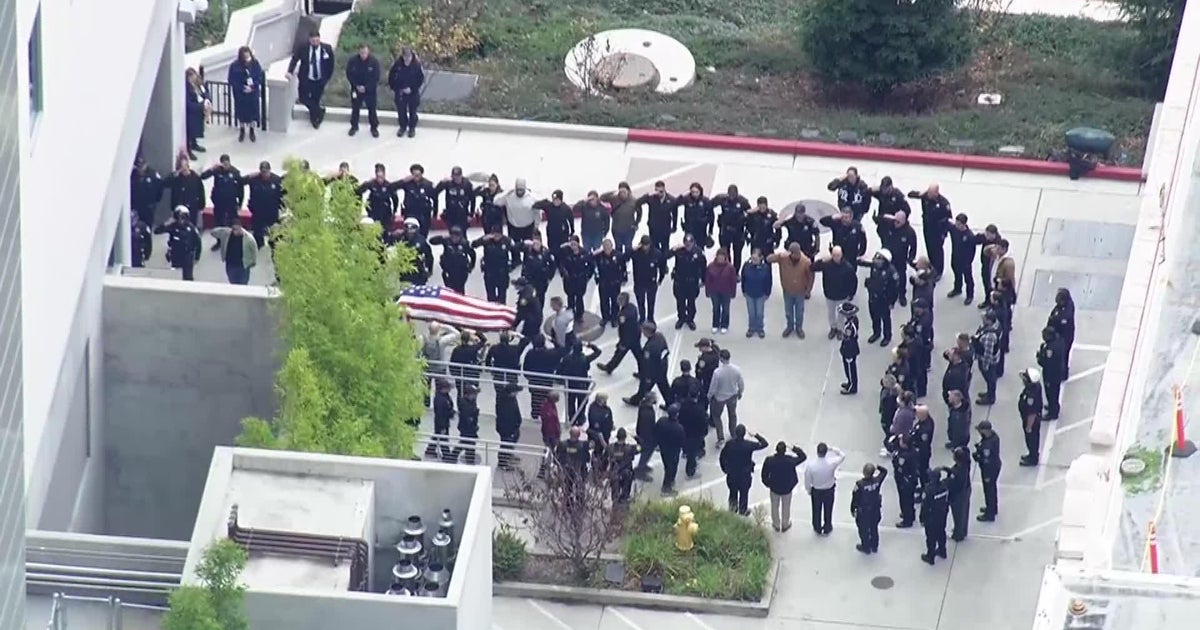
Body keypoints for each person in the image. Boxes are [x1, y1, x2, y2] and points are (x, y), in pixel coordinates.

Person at [288, 30, 335, 129]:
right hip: (306, 78)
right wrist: (290, 71)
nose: (315, 42)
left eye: (317, 40)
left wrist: (327, 78)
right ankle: (319, 111)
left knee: (315, 99)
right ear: (309, 40)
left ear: (319, 39)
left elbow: (331, 64)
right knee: (303, 98)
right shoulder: (303, 48)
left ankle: (315, 119)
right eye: (313, 41)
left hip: (319, 80)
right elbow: (295, 59)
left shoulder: (326, 49)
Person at [767, 243, 814, 339]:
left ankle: (799, 328)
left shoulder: (806, 262)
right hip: (787, 290)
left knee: (799, 312)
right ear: (790, 253)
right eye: (794, 254)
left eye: (798, 253)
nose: (797, 255)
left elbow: (811, 277)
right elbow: (769, 259)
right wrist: (779, 255)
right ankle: (790, 326)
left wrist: (808, 290)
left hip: (800, 291)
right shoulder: (783, 258)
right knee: (788, 311)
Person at [811, 247, 859, 340]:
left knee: (841, 314)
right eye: (834, 255)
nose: (836, 257)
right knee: (831, 313)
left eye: (837, 255)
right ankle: (833, 328)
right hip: (829, 294)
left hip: (842, 296)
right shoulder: (826, 264)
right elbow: (812, 268)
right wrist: (820, 261)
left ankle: (840, 329)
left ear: (841, 255)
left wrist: (851, 294)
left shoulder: (848, 268)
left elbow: (853, 281)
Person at [719, 425, 768, 515]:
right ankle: (743, 509)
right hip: (744, 474)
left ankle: (733, 508)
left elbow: (722, 457)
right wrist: (756, 435)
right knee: (744, 493)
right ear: (744, 433)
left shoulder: (730, 444)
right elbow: (764, 444)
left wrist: (725, 469)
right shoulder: (748, 445)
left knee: (733, 492)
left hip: (732, 473)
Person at [761, 442, 808, 532]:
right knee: (786, 506)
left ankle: (776, 524)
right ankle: (785, 524)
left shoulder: (769, 460)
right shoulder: (790, 461)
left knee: (774, 506)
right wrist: (794, 448)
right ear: (785, 451)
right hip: (787, 488)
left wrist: (768, 484)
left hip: (774, 487)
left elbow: (764, 474)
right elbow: (803, 457)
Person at [907, 185, 952, 278]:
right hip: (927, 229)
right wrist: (922, 193)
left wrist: (943, 234)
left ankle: (939, 271)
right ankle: (932, 266)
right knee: (930, 248)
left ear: (936, 192)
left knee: (937, 251)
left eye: (931, 193)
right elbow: (910, 194)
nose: (929, 195)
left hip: (938, 231)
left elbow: (948, 219)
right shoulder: (925, 196)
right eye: (928, 193)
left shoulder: (943, 203)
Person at [200, 155, 244, 249]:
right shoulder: (217, 171)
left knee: (233, 222)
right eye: (223, 163)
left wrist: (240, 203)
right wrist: (212, 169)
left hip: (231, 203)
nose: (225, 165)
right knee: (218, 222)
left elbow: (241, 189)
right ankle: (219, 242)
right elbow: (203, 176)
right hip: (219, 202)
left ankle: (233, 242)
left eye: (227, 163)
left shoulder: (235, 172)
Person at [624, 322, 672, 406]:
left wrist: (646, 376)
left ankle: (635, 401)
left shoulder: (649, 348)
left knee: (644, 387)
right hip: (663, 366)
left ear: (646, 332)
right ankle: (670, 403)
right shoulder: (660, 336)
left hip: (653, 371)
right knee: (664, 386)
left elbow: (647, 363)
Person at [859, 250, 901, 345]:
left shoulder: (891, 272)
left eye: (879, 259)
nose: (876, 260)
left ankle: (887, 336)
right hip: (873, 297)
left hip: (884, 300)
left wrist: (892, 302)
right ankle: (876, 333)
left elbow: (894, 289)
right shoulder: (875, 267)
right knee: (874, 317)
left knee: (885, 319)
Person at [804, 443, 845, 535]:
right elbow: (842, 455)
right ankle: (827, 526)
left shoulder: (811, 465)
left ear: (817, 452)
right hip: (829, 490)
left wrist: (809, 490)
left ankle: (817, 526)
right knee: (828, 509)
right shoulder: (831, 463)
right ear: (826, 452)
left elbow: (807, 479)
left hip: (816, 491)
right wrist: (832, 449)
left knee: (816, 510)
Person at [153, 207, 203, 281]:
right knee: (175, 276)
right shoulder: (173, 226)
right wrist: (165, 224)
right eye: (179, 217)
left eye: (183, 217)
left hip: (187, 255)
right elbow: (156, 231)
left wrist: (197, 257)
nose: (181, 220)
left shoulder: (191, 228)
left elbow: (198, 243)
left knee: (188, 277)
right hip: (176, 254)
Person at [669, 234, 707, 330]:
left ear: (693, 243)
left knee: (691, 302)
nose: (688, 246)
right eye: (686, 243)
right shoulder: (679, 251)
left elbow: (703, 267)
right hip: (680, 281)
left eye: (690, 243)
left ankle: (690, 319)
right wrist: (673, 249)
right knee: (680, 302)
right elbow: (665, 257)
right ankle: (681, 318)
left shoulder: (698, 252)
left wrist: (703, 279)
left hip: (692, 282)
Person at [497, 179, 541, 262]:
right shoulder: (509, 196)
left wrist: (536, 226)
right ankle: (516, 260)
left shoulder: (531, 197)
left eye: (521, 190)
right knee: (514, 246)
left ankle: (527, 260)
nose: (519, 191)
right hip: (513, 226)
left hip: (528, 226)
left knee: (528, 246)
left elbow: (538, 213)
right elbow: (496, 201)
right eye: (518, 189)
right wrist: (506, 193)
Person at [557, 341, 602, 422]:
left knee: (570, 402)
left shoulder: (566, 359)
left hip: (570, 384)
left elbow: (559, 371)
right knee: (582, 403)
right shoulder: (585, 359)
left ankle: (572, 419)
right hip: (582, 385)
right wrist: (590, 345)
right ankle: (580, 418)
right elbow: (598, 352)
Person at [625, 236, 666, 323]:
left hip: (651, 283)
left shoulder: (656, 253)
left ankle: (650, 318)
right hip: (639, 282)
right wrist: (632, 249)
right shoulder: (636, 253)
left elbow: (662, 266)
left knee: (651, 302)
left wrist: (660, 279)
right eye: (643, 245)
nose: (645, 247)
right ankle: (642, 317)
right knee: (640, 302)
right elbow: (624, 258)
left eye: (647, 245)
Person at [227, 47, 265, 142]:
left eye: (248, 54)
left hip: (252, 94)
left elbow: (259, 77)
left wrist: (252, 87)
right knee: (242, 113)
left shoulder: (255, 64)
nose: (247, 56)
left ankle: (252, 130)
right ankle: (242, 130)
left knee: (253, 112)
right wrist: (242, 88)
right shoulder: (235, 65)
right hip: (241, 94)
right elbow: (231, 79)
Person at [850, 463, 888, 554]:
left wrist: (852, 509)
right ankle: (874, 546)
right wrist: (878, 466)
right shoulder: (877, 481)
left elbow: (855, 498)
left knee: (863, 530)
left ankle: (866, 547)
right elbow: (884, 471)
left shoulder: (859, 485)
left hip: (864, 512)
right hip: (875, 510)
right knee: (874, 528)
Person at [599, 292, 641, 373]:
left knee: (619, 354)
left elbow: (624, 327)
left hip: (627, 338)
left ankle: (609, 368)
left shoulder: (623, 314)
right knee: (638, 355)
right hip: (635, 334)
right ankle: (643, 371)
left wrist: (623, 341)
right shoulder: (632, 307)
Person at [346, 43, 382, 137]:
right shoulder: (353, 61)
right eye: (362, 53)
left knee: (372, 109)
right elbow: (349, 74)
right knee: (355, 108)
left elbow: (376, 77)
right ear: (359, 52)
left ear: (368, 52)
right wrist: (357, 86)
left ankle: (374, 128)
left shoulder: (374, 62)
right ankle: (354, 126)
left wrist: (366, 87)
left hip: (370, 91)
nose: (363, 55)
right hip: (356, 89)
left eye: (365, 53)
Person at [388, 47, 425, 137]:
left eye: (409, 57)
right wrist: (398, 88)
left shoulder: (416, 65)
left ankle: (412, 128)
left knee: (413, 111)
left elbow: (420, 79)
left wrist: (412, 89)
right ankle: (402, 127)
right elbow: (391, 78)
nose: (407, 59)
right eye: (406, 57)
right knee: (401, 111)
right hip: (400, 92)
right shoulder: (397, 65)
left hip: (413, 92)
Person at [471, 227, 515, 302]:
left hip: (502, 273)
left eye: (498, 235)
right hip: (490, 272)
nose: (496, 237)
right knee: (491, 297)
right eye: (494, 234)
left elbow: (516, 249)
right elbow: (473, 245)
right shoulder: (487, 241)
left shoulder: (506, 241)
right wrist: (482, 239)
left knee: (502, 297)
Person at [712, 185, 751, 269]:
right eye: (730, 194)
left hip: (738, 231)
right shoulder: (723, 200)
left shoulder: (743, 201)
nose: (732, 196)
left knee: (737, 253)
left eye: (734, 194)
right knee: (725, 251)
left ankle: (736, 272)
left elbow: (749, 214)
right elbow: (710, 204)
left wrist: (747, 231)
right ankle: (727, 269)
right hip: (725, 230)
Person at [707, 349, 744, 439]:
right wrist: (740, 392)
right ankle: (733, 433)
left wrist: (709, 396)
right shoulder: (736, 369)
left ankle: (720, 437)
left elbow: (713, 387)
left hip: (720, 398)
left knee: (716, 416)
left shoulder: (717, 372)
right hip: (732, 396)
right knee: (732, 414)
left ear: (721, 359)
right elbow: (741, 383)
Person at [523, 335, 561, 420]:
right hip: (546, 382)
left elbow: (525, 369)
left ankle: (535, 417)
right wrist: (553, 340)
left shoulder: (530, 354)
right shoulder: (550, 353)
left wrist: (530, 378)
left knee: (535, 401)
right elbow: (561, 350)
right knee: (547, 401)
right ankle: (546, 416)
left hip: (534, 382)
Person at [429, 226, 476, 293]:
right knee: (449, 289)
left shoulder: (465, 243)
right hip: (448, 270)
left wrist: (471, 266)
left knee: (459, 289)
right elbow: (431, 241)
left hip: (461, 271)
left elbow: (473, 255)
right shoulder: (446, 241)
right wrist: (441, 237)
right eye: (452, 236)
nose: (454, 238)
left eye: (457, 236)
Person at [557, 237, 594, 323]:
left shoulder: (584, 253)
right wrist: (563, 273)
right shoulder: (565, 252)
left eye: (575, 244)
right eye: (571, 244)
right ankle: (571, 313)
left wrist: (587, 276)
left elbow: (591, 265)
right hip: (569, 279)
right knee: (570, 297)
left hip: (580, 279)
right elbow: (559, 260)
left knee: (579, 298)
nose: (573, 246)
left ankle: (579, 315)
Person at [210, 219, 257, 285]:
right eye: (233, 229)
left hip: (242, 266)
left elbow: (254, 250)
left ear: (241, 227)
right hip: (230, 264)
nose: (235, 231)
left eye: (237, 229)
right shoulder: (227, 234)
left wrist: (253, 262)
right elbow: (213, 232)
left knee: (243, 284)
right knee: (232, 282)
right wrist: (225, 229)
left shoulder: (248, 238)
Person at [886, 434, 919, 527]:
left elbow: (897, 465)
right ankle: (911, 514)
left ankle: (907, 519)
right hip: (911, 478)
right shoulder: (913, 451)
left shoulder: (904, 456)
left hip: (904, 480)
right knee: (910, 498)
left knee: (905, 500)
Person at [636, 181, 678, 253]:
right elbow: (638, 202)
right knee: (654, 247)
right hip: (653, 228)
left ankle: (664, 263)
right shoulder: (651, 198)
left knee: (665, 247)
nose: (659, 193)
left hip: (665, 228)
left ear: (664, 189)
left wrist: (674, 226)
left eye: (661, 191)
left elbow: (675, 214)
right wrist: (646, 195)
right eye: (656, 190)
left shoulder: (671, 200)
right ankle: (656, 263)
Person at [920, 468, 950, 565]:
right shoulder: (944, 486)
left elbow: (924, 506)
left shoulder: (928, 490)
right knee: (941, 533)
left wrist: (922, 518)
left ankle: (930, 556)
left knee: (931, 537)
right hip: (942, 514)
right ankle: (942, 551)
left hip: (931, 517)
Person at [972, 312, 1003, 405]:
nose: (983, 319)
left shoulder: (990, 336)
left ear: (989, 321)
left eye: (985, 318)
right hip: (994, 357)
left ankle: (990, 397)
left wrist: (985, 365)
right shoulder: (996, 325)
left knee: (990, 378)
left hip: (989, 361)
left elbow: (988, 353)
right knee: (990, 379)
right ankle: (989, 393)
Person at [973, 420, 1001, 521]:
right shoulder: (994, 436)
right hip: (995, 466)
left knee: (989, 490)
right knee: (992, 489)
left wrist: (977, 456)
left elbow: (986, 461)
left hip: (989, 470)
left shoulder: (987, 446)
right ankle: (993, 508)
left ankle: (990, 514)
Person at [601, 182, 640, 255]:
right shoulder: (614, 199)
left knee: (628, 247)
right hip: (617, 229)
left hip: (629, 229)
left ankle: (627, 261)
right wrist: (613, 192)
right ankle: (620, 263)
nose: (622, 194)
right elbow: (602, 197)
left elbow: (639, 213)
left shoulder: (634, 201)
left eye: (624, 192)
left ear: (628, 191)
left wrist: (636, 223)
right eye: (620, 191)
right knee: (618, 247)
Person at [593, 239, 625, 327]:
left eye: (608, 246)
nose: (607, 248)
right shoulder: (599, 256)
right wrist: (597, 279)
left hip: (615, 283)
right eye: (605, 247)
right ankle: (605, 317)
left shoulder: (618, 255)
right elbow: (594, 266)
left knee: (615, 301)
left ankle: (614, 318)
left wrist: (622, 279)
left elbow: (623, 268)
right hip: (604, 283)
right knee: (604, 301)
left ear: (612, 246)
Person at [704, 249, 737, 334]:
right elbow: (707, 280)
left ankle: (724, 325)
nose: (720, 258)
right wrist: (707, 291)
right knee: (716, 308)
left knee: (726, 309)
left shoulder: (730, 268)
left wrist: (733, 292)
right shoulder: (711, 266)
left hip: (726, 291)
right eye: (719, 256)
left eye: (722, 257)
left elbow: (733, 281)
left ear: (725, 257)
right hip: (714, 291)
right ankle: (715, 324)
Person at [741, 248, 772, 338]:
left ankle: (760, 329)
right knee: (751, 313)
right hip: (749, 293)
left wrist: (767, 293)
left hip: (760, 294)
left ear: (760, 258)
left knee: (759, 313)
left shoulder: (765, 268)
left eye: (756, 258)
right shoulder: (746, 266)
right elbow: (743, 279)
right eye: (753, 258)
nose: (754, 260)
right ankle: (751, 328)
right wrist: (744, 290)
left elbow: (769, 281)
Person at [655, 405, 686, 494]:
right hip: (673, 451)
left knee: (667, 465)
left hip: (663, 449)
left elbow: (656, 432)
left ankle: (669, 481)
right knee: (671, 468)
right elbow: (682, 441)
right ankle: (666, 487)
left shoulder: (662, 421)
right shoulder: (679, 428)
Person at [357, 164, 399, 228]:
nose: (380, 179)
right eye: (378, 177)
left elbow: (395, 199)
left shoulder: (388, 185)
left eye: (381, 177)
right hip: (373, 212)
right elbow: (359, 191)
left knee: (385, 229)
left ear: (384, 175)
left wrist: (394, 211)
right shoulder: (371, 184)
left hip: (385, 213)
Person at [1038, 326, 1067, 420]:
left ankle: (1053, 413)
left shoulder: (1050, 348)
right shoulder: (1059, 341)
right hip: (1057, 372)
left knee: (1051, 393)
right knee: (1055, 392)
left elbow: (1046, 362)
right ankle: (1053, 407)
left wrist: (1040, 356)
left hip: (1051, 375)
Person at [947, 213, 977, 304]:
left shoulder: (969, 236)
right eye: (956, 223)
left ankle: (970, 295)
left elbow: (972, 251)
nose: (957, 225)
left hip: (965, 262)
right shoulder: (954, 229)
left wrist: (969, 262)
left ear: (964, 224)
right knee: (957, 275)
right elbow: (946, 224)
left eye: (959, 224)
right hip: (955, 257)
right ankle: (957, 289)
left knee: (968, 279)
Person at [944, 447, 972, 541]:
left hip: (958, 495)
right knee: (964, 512)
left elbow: (951, 483)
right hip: (966, 490)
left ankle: (958, 534)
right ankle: (963, 530)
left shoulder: (957, 472)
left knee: (958, 515)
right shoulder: (966, 464)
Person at [1048, 288, 1076, 378]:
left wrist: (1054, 319)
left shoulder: (1068, 310)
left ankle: (1063, 373)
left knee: (1063, 355)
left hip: (1065, 337)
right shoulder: (1062, 307)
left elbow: (1060, 320)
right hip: (1061, 335)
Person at [1019, 368, 1045, 466]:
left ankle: (1033, 458)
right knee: (1031, 439)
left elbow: (1032, 413)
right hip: (1031, 419)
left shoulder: (1031, 395)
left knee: (1032, 439)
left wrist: (1029, 426)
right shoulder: (1035, 387)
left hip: (1032, 421)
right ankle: (1031, 455)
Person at [495, 384, 523, 470]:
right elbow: (506, 416)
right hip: (506, 428)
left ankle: (508, 454)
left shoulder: (512, 399)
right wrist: (510, 428)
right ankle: (502, 462)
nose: (517, 394)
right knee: (505, 443)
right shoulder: (503, 402)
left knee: (513, 440)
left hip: (514, 426)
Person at [677, 183, 714, 247]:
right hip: (689, 228)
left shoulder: (705, 201)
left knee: (700, 247)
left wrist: (710, 229)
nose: (694, 194)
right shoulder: (687, 199)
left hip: (701, 229)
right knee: (688, 246)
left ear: (700, 191)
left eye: (696, 192)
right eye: (693, 192)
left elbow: (711, 216)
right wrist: (679, 198)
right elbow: (676, 203)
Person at [427, 379, 456, 461]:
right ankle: (446, 455)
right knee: (443, 438)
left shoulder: (445, 396)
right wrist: (442, 425)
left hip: (444, 420)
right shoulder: (440, 399)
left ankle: (430, 450)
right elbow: (440, 414)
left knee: (437, 435)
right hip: (441, 421)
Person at [184, 68, 209, 159]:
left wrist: (206, 100)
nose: (194, 78)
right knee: (190, 132)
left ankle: (195, 144)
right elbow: (188, 103)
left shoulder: (198, 84)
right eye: (192, 77)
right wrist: (200, 106)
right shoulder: (186, 87)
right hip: (192, 113)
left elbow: (205, 92)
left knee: (196, 131)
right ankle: (189, 149)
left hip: (199, 110)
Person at [609, 428, 639, 503]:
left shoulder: (610, 448)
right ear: (625, 437)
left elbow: (603, 460)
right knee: (624, 499)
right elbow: (641, 446)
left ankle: (615, 512)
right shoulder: (630, 448)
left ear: (617, 437)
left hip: (614, 474)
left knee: (615, 499)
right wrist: (636, 437)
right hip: (626, 475)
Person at [633, 392, 659, 480]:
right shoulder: (647, 413)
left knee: (646, 452)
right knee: (646, 452)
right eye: (655, 398)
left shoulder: (643, 406)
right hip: (647, 437)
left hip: (642, 434)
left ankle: (642, 466)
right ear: (651, 400)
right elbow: (647, 428)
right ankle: (640, 470)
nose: (656, 399)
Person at [839, 302, 861, 395]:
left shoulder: (849, 326)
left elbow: (848, 338)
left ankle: (852, 387)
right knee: (849, 368)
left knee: (850, 369)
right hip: (851, 347)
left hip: (849, 350)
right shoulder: (853, 319)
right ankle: (849, 382)